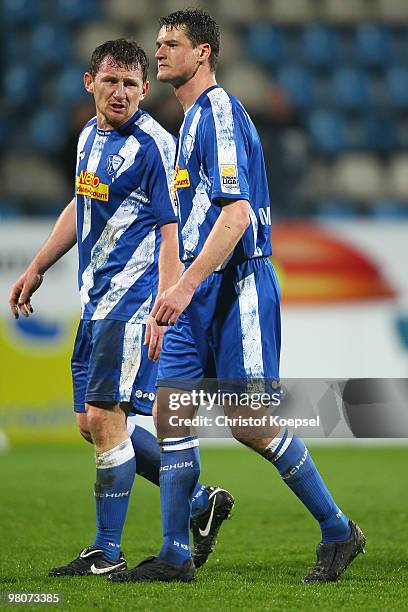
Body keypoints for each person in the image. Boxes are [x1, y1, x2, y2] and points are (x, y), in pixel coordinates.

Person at [110, 11, 366, 584]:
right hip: (193, 293)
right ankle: (175, 554)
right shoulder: (189, 124)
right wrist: (168, 294)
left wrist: (184, 286)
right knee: (173, 416)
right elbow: (187, 220)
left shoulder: (219, 112)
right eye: (158, 44)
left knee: (251, 423)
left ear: (203, 53)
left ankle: (337, 528)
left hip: (237, 286)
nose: (160, 53)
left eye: (172, 44)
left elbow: (236, 215)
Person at [8, 38, 233, 577]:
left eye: (132, 83)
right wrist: (39, 263)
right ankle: (200, 502)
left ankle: (106, 553)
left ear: (144, 89)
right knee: (91, 422)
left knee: (107, 422)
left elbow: (171, 226)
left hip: (129, 305)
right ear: (91, 83)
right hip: (94, 301)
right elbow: (81, 203)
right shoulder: (89, 135)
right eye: (111, 81)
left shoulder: (156, 146)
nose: (120, 92)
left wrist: (166, 300)